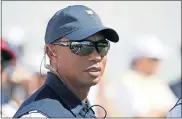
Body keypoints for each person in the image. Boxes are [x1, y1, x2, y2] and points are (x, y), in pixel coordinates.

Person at [13, 5, 119, 118]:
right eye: (82, 46)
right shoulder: (39, 116)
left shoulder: (83, 108)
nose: (96, 56)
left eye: (102, 46)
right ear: (52, 53)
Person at [112, 35, 177, 117]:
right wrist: (164, 112)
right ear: (140, 60)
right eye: (154, 59)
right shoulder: (126, 81)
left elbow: (175, 108)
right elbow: (141, 116)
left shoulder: (156, 81)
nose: (158, 63)